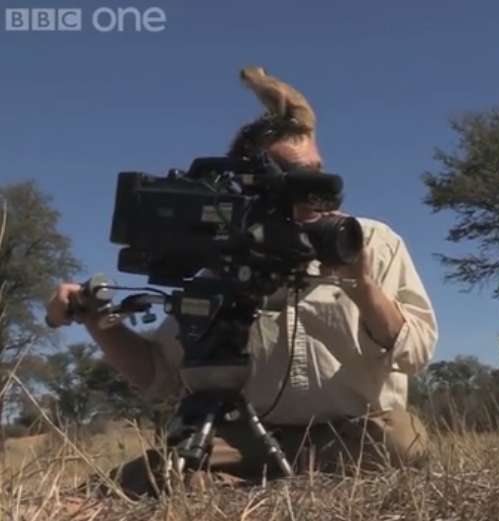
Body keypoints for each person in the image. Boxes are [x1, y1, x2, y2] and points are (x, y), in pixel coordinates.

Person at [44, 71, 439, 498]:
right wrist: (93, 319)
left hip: (352, 436)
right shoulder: (225, 256)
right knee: (164, 474)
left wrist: (362, 286)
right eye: (294, 179)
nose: (316, 193)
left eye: (317, 174)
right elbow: (159, 372)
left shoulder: (372, 241)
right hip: (252, 440)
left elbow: (416, 350)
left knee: (402, 440)